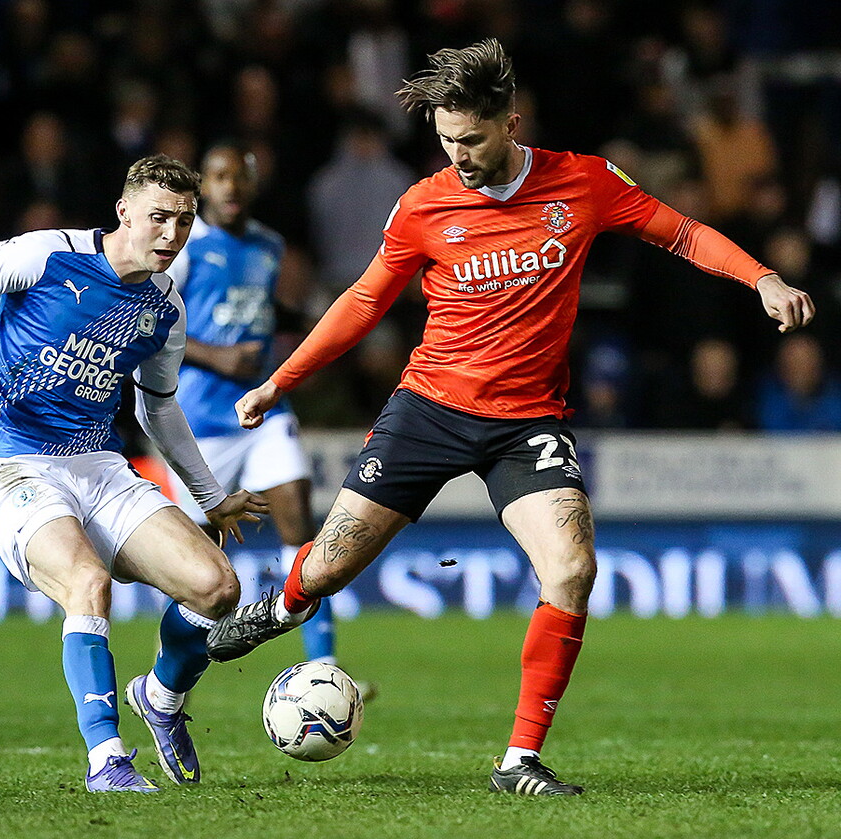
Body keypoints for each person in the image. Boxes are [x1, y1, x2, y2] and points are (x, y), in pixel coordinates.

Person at [203, 40, 815, 796]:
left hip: (527, 424)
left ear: (510, 123)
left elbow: (681, 232)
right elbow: (365, 300)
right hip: (428, 408)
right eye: (444, 139)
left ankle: (518, 760)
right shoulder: (425, 204)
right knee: (327, 566)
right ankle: (283, 604)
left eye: (471, 138)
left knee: (573, 568)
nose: (456, 154)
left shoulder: (582, 182)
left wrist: (761, 277)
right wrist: (279, 380)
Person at [0, 154, 268, 793]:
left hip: (99, 467)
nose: (171, 235)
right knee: (87, 582)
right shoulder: (47, 255)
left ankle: (160, 697)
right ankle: (107, 762)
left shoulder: (165, 307)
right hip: (14, 461)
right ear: (124, 212)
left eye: (183, 221)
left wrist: (213, 497)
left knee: (216, 589)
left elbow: (158, 405)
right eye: (158, 218)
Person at [165, 141, 337, 667]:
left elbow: (258, 312)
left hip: (262, 411)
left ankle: (323, 669)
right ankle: (172, 674)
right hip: (200, 420)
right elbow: (151, 324)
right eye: (219, 177)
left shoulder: (269, 245)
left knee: (301, 529)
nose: (231, 187)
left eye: (239, 177)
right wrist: (216, 356)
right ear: (202, 186)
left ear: (252, 183)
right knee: (196, 564)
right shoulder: (186, 248)